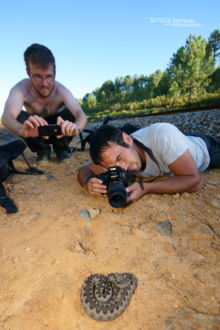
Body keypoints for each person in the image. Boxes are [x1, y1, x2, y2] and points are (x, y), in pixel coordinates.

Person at [77, 123, 220, 203]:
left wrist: (146, 187)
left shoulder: (163, 134)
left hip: (205, 149)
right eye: (114, 167)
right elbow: (84, 170)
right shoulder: (112, 155)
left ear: (127, 139)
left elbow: (195, 182)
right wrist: (86, 183)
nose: (124, 168)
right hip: (177, 145)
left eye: (120, 157)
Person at [2, 43, 87, 163]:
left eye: (49, 76)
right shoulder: (20, 89)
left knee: (71, 113)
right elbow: (6, 117)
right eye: (37, 76)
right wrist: (22, 130)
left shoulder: (61, 90)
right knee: (20, 116)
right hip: (35, 133)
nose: (44, 83)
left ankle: (61, 149)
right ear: (28, 72)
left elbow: (81, 114)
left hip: (59, 133)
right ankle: (42, 150)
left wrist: (76, 127)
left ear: (55, 73)